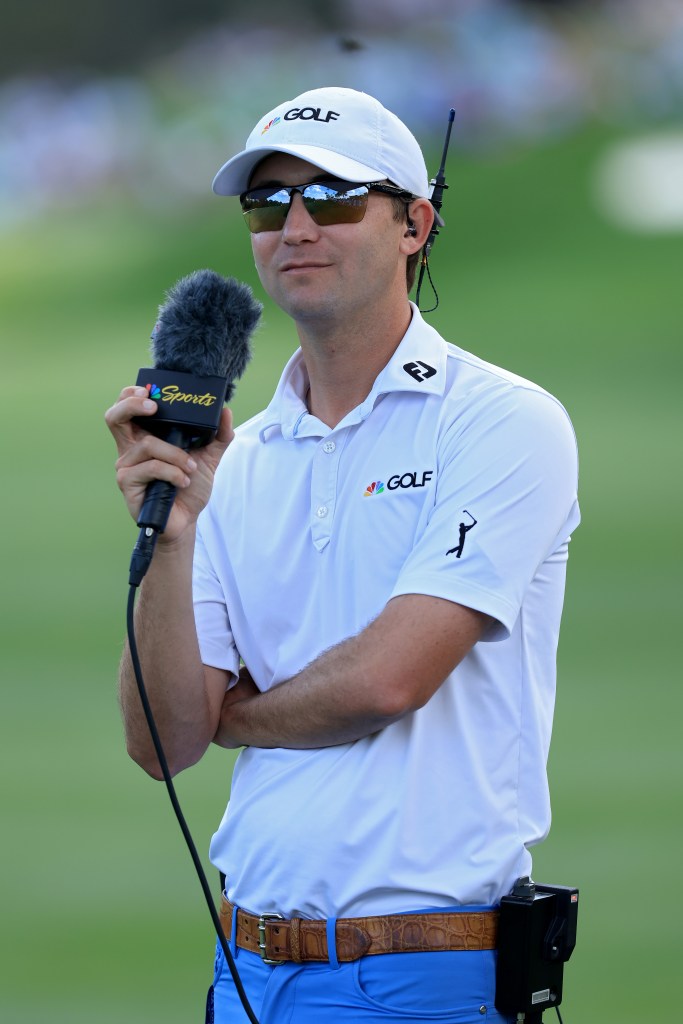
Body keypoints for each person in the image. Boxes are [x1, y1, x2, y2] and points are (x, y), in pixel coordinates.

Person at [105, 86, 580, 1024]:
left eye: (331, 198)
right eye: (267, 202)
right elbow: (163, 743)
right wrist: (171, 535)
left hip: (422, 977)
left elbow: (387, 681)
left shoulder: (500, 420)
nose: (294, 226)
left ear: (414, 223)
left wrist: (235, 717)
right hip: (244, 970)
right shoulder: (228, 464)